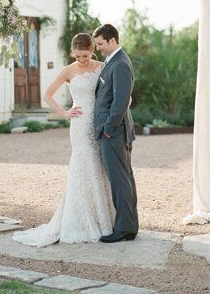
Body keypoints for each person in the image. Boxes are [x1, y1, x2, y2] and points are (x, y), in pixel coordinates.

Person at [11, 33, 114, 246]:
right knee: (82, 165)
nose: (82, 60)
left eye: (85, 55)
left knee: (99, 166)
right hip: (79, 124)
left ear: (92, 50)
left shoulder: (102, 67)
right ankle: (79, 219)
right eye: (77, 56)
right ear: (72, 53)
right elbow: (47, 95)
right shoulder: (68, 71)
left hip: (98, 121)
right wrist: (65, 112)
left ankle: (104, 219)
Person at [93, 23, 139, 243]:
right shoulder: (113, 61)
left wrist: (108, 129)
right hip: (116, 131)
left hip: (115, 132)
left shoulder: (120, 63)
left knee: (120, 181)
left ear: (112, 40)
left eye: (101, 44)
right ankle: (129, 227)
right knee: (124, 179)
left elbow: (120, 102)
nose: (99, 48)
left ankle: (123, 229)